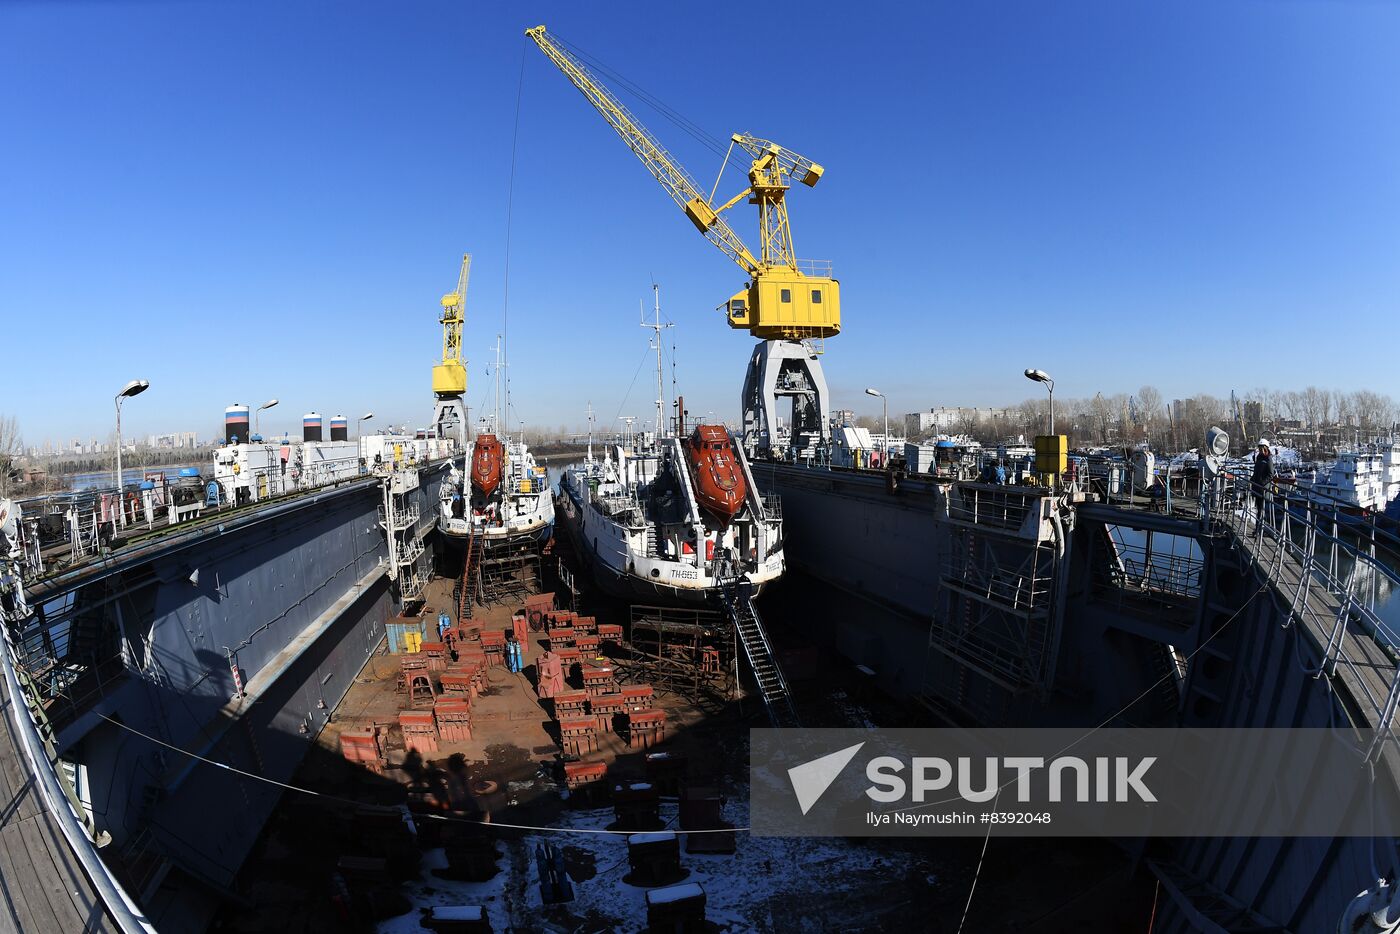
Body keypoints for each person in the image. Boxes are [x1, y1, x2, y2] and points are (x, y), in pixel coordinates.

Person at [1251, 440, 1274, 527]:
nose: (1260, 450)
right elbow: (1256, 471)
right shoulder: (1259, 458)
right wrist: (1253, 479)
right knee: (1258, 509)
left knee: (1261, 510)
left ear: (1266, 448)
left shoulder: (1268, 459)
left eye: (1262, 449)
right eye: (1259, 449)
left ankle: (1259, 529)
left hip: (1263, 488)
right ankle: (1258, 528)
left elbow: (1270, 474)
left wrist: (1262, 482)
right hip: (1256, 487)